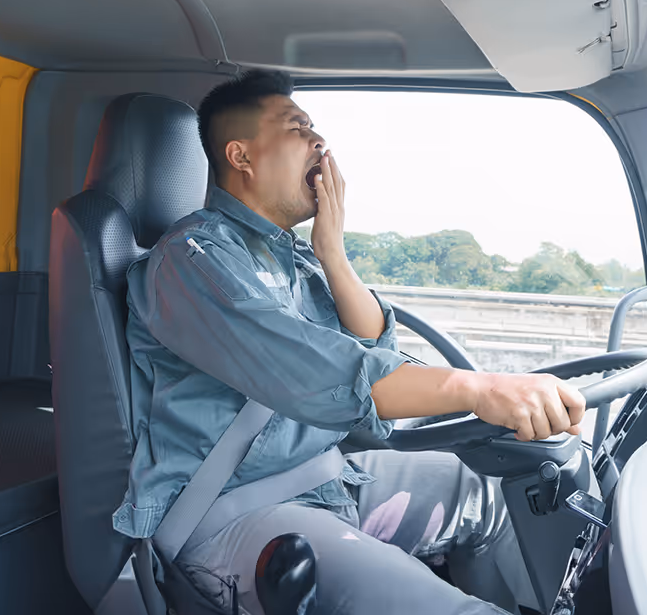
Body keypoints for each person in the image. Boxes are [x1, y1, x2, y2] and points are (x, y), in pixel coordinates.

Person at [116, 69, 587, 614]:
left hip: (330, 478)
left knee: (489, 488)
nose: (320, 140)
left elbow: (374, 350)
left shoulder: (291, 258)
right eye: (297, 128)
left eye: (315, 126)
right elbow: (322, 374)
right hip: (232, 516)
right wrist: (479, 388)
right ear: (241, 156)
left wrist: (333, 255)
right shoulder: (192, 259)